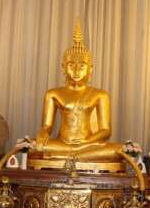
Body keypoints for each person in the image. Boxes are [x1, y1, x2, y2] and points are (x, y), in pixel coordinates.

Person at [31, 19, 121, 162]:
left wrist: (86, 142)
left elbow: (106, 131)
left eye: (82, 66)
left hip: (88, 145)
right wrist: (42, 133)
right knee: (33, 146)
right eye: (71, 65)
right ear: (63, 67)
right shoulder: (53, 94)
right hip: (62, 144)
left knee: (118, 150)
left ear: (90, 69)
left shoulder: (100, 95)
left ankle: (70, 157)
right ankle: (75, 157)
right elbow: (47, 125)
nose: (77, 71)